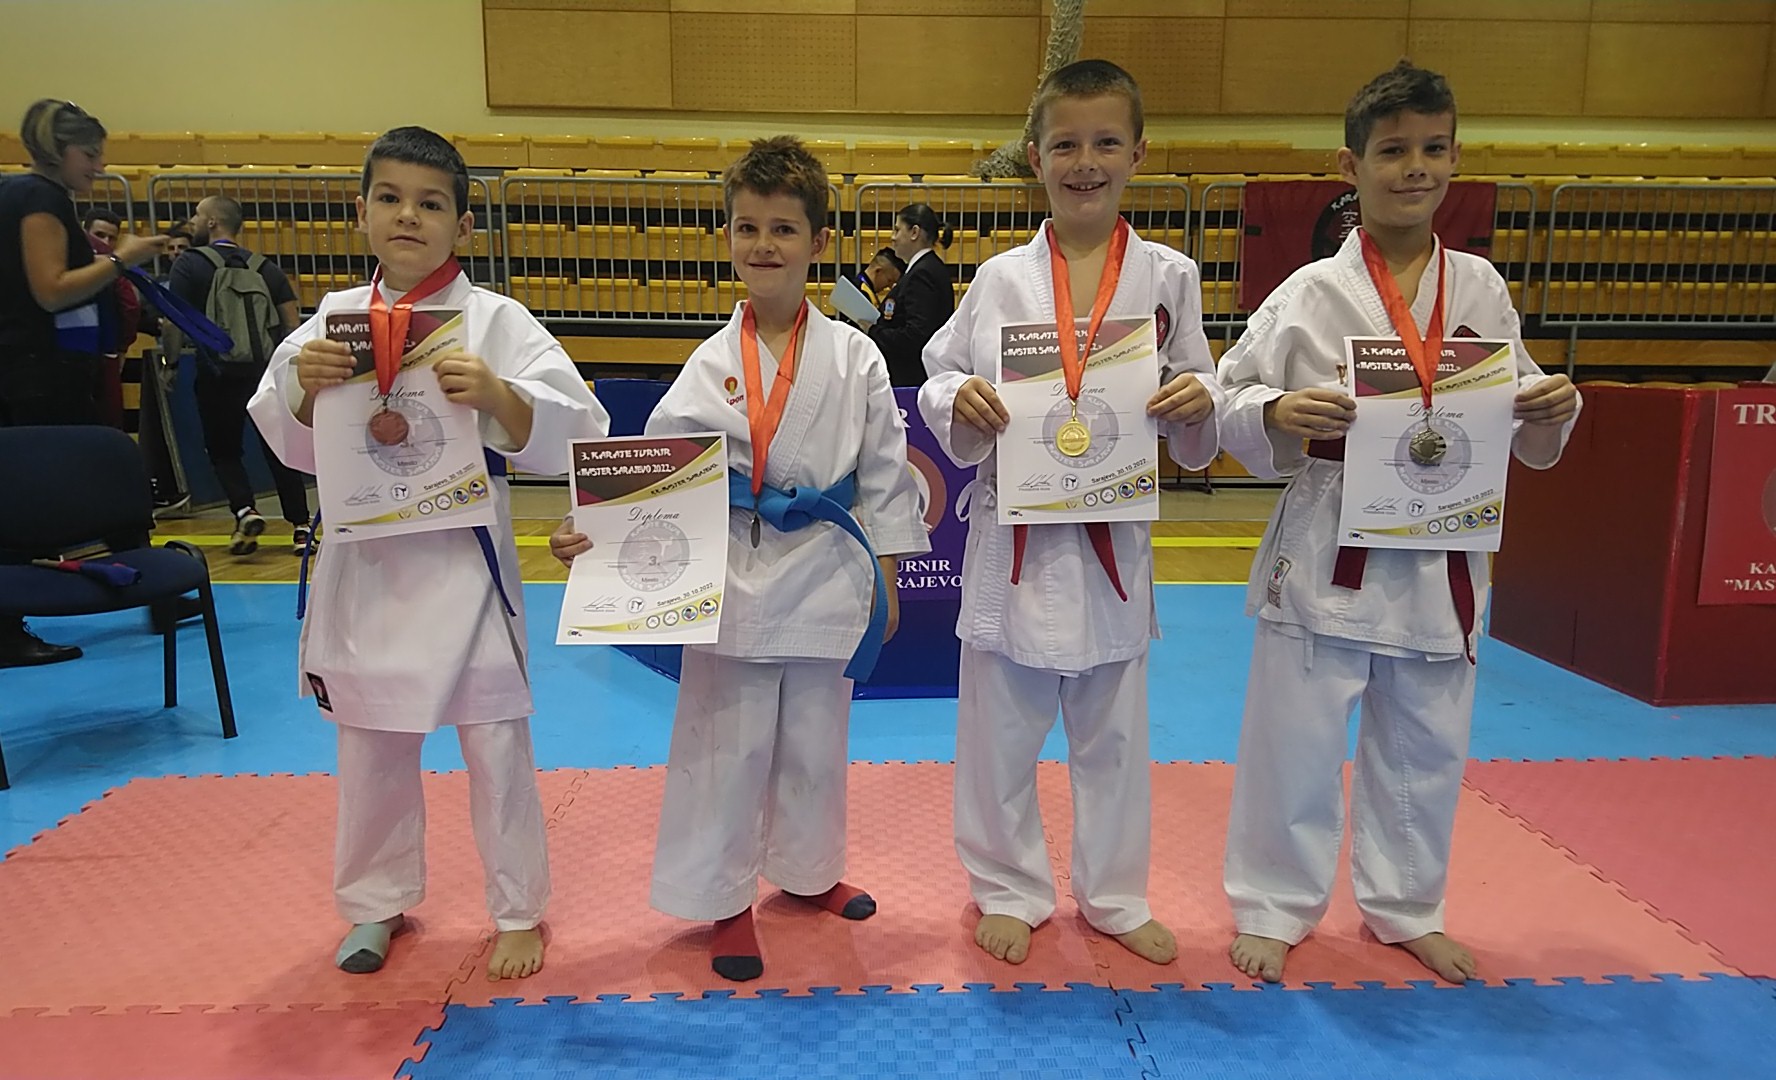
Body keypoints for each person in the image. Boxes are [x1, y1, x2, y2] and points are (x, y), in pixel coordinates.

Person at [1216, 61, 1582, 986]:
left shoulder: (1482, 287)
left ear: (1455, 158)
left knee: (1426, 743)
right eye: (1392, 151)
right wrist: (1274, 411)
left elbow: (1518, 398)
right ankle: (1273, 904)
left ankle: (1408, 906)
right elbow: (1229, 396)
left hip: (1440, 544)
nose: (1415, 167)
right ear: (1351, 166)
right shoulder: (1309, 291)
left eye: (1433, 149)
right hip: (1330, 541)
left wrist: (1549, 406)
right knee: (1294, 743)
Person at [551, 136, 928, 983]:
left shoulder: (857, 355)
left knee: (816, 738)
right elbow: (656, 472)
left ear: (818, 242)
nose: (764, 244)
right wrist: (593, 535)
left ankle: (808, 873)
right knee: (727, 745)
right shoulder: (711, 361)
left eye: (784, 229)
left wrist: (889, 574)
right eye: (748, 227)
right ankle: (723, 899)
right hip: (730, 571)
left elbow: (884, 470)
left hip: (829, 564)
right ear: (727, 237)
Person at [248, 126, 609, 981]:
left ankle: (517, 909)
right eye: (390, 198)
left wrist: (499, 395)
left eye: (430, 203)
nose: (408, 216)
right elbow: (284, 437)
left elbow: (579, 427)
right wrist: (305, 390)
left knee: (496, 745)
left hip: (464, 562)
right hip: (368, 566)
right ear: (361, 211)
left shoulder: (497, 321)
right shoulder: (330, 323)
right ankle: (375, 903)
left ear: (464, 226)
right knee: (370, 745)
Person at [917, 60, 1223, 968]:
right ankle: (1007, 889)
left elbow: (1203, 386)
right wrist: (959, 397)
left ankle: (1116, 895)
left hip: (1112, 545)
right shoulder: (1000, 279)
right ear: (1034, 155)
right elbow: (939, 371)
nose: (1085, 162)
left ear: (1139, 153)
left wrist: (1197, 403)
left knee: (1115, 739)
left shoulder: (1170, 276)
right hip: (1014, 539)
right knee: (998, 738)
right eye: (1065, 144)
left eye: (1105, 143)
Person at [0, 99, 165, 667]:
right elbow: (51, 289)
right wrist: (121, 260)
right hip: (38, 373)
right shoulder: (39, 198)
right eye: (90, 155)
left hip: (29, 368)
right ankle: (10, 626)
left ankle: (153, 591)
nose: (99, 166)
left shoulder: (19, 194)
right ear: (59, 150)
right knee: (49, 491)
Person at [170, 195, 313, 554]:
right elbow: (291, 324)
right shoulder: (267, 268)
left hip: (216, 371)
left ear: (213, 222)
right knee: (278, 449)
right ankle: (301, 527)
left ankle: (245, 510)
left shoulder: (190, 264)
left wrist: (170, 364)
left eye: (197, 215)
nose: (192, 222)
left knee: (224, 449)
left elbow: (173, 320)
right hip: (264, 373)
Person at [867, 203, 956, 387]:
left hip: (913, 381)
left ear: (914, 232)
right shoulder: (923, 269)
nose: (892, 237)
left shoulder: (923, 273)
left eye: (897, 230)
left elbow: (915, 335)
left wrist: (873, 331)